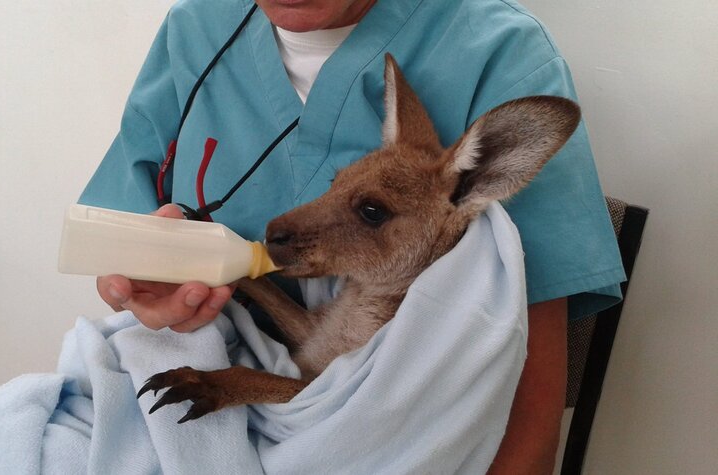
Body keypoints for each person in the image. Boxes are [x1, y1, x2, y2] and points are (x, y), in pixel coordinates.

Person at [80, 0, 625, 472]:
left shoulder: (495, 50)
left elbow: (518, 380)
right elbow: (122, 239)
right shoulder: (195, 28)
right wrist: (143, 277)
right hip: (188, 391)